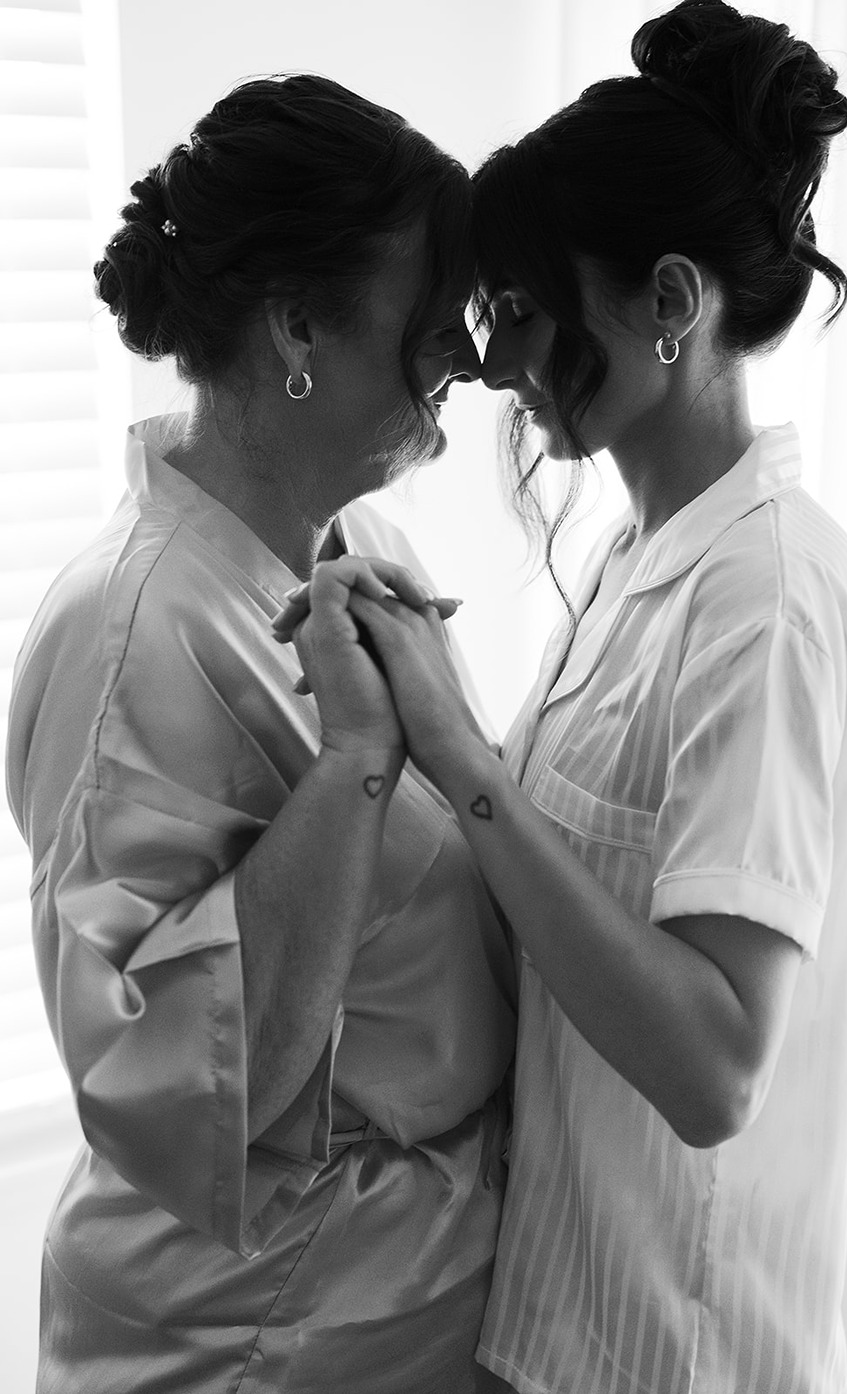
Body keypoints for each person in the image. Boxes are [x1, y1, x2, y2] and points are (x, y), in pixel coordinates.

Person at [284, 3, 847, 1391]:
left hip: (689, 1347)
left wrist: (454, 746)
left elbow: (714, 1065)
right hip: (566, 1317)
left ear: (668, 304)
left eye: (521, 309)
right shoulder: (637, 557)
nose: (490, 361)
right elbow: (566, 899)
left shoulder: (768, 596)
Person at [5, 74, 515, 1393]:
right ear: (298, 324)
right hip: (252, 1341)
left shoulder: (358, 543)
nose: (464, 354)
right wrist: (354, 766)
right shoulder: (135, 633)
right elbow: (176, 1095)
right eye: (431, 311)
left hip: (403, 1298)